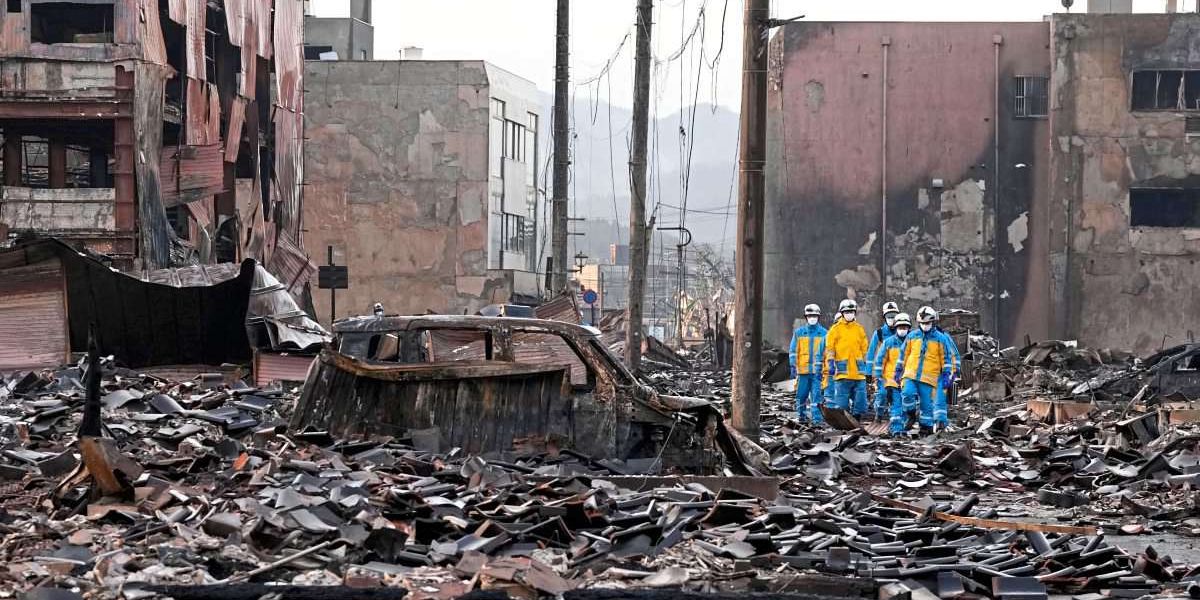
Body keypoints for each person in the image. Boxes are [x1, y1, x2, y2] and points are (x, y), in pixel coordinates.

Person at [893, 306, 956, 435]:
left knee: (927, 407)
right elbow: (903, 354)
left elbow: (946, 359)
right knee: (907, 394)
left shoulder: (941, 339)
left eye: (927, 323)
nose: (924, 326)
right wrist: (898, 369)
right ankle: (910, 413)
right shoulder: (912, 336)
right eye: (922, 323)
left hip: (929, 378)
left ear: (933, 322)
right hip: (910, 374)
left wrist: (946, 375)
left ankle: (925, 428)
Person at [824, 299, 870, 418]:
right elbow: (830, 347)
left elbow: (864, 347)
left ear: (855, 313)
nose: (849, 314)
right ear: (842, 313)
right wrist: (831, 362)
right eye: (847, 311)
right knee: (841, 400)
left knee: (860, 398)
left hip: (858, 372)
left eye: (851, 311)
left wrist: (862, 361)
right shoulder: (835, 329)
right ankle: (843, 419)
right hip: (842, 371)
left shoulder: (859, 329)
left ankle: (856, 418)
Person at [873, 313, 913, 435]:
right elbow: (880, 360)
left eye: (905, 327)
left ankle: (904, 428)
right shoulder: (888, 342)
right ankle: (896, 429)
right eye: (900, 327)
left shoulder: (913, 342)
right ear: (895, 328)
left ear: (909, 328)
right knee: (896, 405)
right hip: (892, 381)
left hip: (908, 380)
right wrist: (879, 377)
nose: (902, 330)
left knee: (907, 406)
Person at [788, 304, 827, 424]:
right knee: (801, 396)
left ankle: (817, 420)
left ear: (818, 317)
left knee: (816, 397)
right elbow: (793, 351)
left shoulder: (825, 333)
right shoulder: (799, 333)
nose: (812, 318)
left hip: (817, 372)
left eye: (814, 316)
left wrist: (828, 369)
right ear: (806, 317)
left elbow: (828, 352)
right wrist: (793, 366)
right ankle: (801, 417)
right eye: (810, 316)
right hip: (803, 372)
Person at [866, 301, 900, 419]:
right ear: (884, 317)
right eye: (889, 316)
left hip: (900, 370)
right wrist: (868, 372)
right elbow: (871, 353)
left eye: (894, 316)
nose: (891, 319)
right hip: (883, 371)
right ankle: (878, 415)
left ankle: (897, 417)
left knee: (899, 397)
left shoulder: (903, 331)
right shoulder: (879, 333)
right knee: (882, 394)